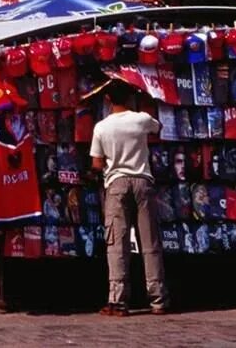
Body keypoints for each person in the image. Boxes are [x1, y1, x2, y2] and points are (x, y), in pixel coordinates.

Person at [89, 78, 169, 316]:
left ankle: (118, 301)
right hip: (144, 182)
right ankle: (158, 300)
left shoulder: (101, 127)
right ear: (130, 98)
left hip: (116, 184)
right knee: (150, 242)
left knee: (117, 243)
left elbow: (96, 163)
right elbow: (158, 129)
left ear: (107, 100)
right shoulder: (141, 119)